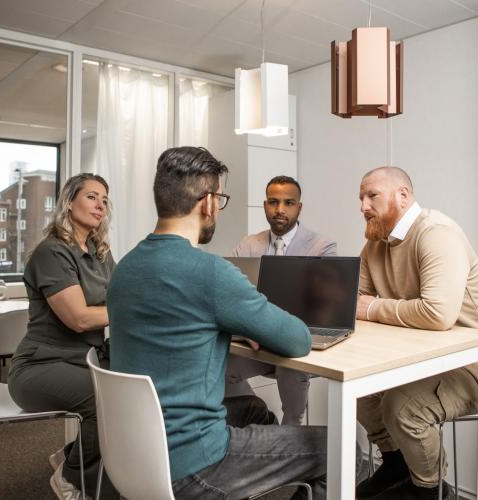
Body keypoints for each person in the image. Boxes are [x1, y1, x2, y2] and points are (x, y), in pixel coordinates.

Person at [107, 147, 328, 499]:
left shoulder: (125, 268)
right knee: (338, 447)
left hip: (135, 452)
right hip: (194, 463)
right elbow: (299, 340)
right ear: (208, 203)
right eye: (220, 200)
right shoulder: (210, 272)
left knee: (255, 408)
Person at [353, 167, 478, 500]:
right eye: (360, 198)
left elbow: (437, 314)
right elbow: (355, 304)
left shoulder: (436, 233)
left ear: (403, 195)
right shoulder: (374, 245)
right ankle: (397, 465)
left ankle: (430, 489)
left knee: (402, 407)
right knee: (361, 394)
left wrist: (372, 308)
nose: (363, 206)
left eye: (372, 196)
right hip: (425, 360)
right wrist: (365, 308)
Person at [8, 173, 117, 500]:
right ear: (69, 202)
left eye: (104, 200)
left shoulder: (100, 251)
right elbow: (80, 318)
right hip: (40, 366)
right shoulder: (52, 252)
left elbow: (121, 296)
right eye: (92, 197)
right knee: (107, 402)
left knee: (135, 393)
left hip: (83, 361)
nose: (100, 206)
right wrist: (132, 312)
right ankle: (70, 477)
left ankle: (71, 454)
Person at [227, 175, 337, 424]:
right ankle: (262, 419)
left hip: (295, 341)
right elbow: (230, 293)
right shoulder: (248, 244)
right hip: (255, 341)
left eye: (289, 203)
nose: (280, 210)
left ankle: (291, 428)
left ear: (299, 207)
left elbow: (324, 303)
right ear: (265, 205)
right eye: (273, 202)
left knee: (291, 363)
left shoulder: (322, 247)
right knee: (221, 366)